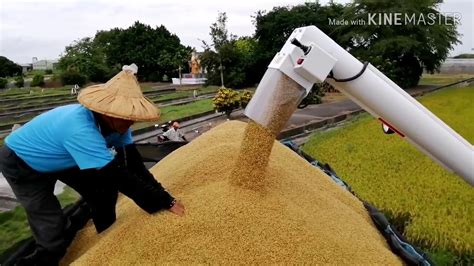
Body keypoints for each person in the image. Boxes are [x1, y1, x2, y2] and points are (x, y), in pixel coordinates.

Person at [0, 64, 185, 265]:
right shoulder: (80, 129)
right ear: (107, 112)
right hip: (22, 162)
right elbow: (119, 176)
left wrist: (165, 196)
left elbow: (134, 166)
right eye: (127, 117)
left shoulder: (119, 126)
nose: (131, 123)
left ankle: (106, 238)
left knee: (103, 191)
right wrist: (163, 202)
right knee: (52, 233)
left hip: (62, 155)